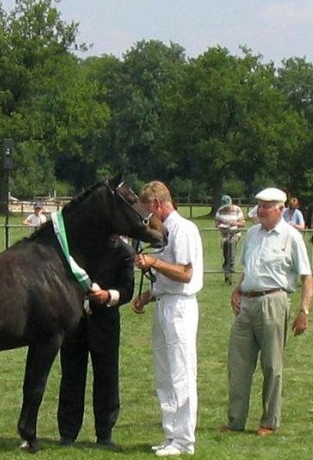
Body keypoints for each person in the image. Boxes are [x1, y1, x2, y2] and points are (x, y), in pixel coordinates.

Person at [222, 187, 312, 437]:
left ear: (281, 209)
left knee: (272, 365)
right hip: (246, 305)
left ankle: (269, 421)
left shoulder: (292, 237)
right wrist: (237, 290)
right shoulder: (251, 234)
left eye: (267, 206)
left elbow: (307, 277)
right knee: (238, 365)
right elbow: (248, 269)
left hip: (274, 301)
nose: (261, 210)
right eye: (259, 205)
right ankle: (235, 421)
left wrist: (303, 311)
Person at [131, 180, 203, 457]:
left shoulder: (183, 230)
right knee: (165, 374)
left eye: (148, 210)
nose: (146, 217)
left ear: (158, 204)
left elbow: (185, 273)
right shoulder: (164, 231)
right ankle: (170, 434)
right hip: (164, 303)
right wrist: (147, 296)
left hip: (180, 307)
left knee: (181, 373)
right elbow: (167, 276)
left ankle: (185, 439)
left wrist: (154, 262)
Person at [57, 236, 134, 448]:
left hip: (105, 321)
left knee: (107, 376)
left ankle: (104, 433)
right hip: (75, 321)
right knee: (71, 375)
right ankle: (67, 432)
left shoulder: (124, 252)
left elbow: (127, 289)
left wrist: (109, 295)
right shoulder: (78, 247)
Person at [215, 195, 245, 285]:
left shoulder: (237, 210)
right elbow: (216, 223)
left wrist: (233, 223)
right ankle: (227, 273)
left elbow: (243, 223)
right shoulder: (220, 211)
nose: (227, 208)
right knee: (226, 252)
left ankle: (230, 269)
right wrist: (222, 225)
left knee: (231, 244)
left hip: (235, 233)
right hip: (224, 234)